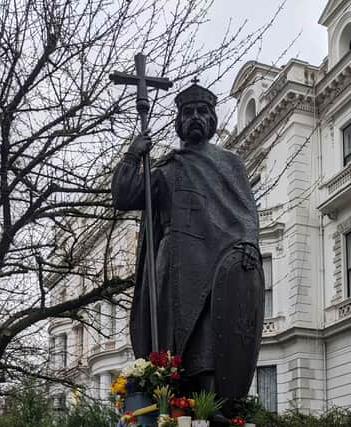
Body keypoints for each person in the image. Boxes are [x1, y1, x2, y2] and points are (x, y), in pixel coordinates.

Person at [112, 83, 264, 409]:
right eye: (188, 112)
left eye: (202, 112)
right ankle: (174, 408)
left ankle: (213, 408)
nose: (195, 117)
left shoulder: (230, 163)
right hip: (175, 268)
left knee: (210, 339)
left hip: (217, 266)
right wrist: (132, 154)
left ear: (211, 119)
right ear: (179, 122)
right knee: (175, 346)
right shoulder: (167, 167)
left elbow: (247, 214)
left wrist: (249, 244)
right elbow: (123, 196)